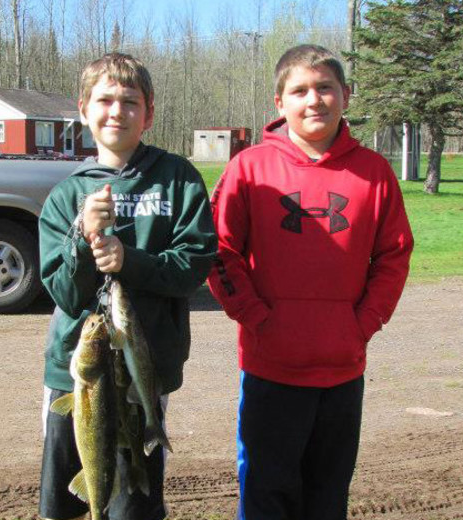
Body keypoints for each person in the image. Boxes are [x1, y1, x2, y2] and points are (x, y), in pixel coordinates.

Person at [207, 44, 414, 520]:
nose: (314, 100)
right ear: (279, 103)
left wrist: (363, 322)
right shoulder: (250, 167)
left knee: (327, 497)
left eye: (325, 88)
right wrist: (256, 318)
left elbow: (394, 254)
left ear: (346, 95)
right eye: (299, 90)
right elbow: (220, 251)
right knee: (266, 494)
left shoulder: (374, 172)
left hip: (342, 370)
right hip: (270, 368)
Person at [37, 52, 217, 520]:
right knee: (68, 501)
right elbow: (64, 293)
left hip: (142, 371)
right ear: (83, 109)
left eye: (130, 102)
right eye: (105, 100)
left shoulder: (177, 180)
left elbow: (193, 267)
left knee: (132, 504)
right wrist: (81, 234)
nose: (117, 111)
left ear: (149, 113)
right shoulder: (65, 196)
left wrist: (127, 260)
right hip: (79, 375)